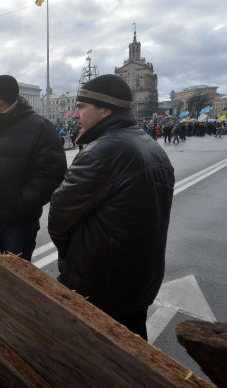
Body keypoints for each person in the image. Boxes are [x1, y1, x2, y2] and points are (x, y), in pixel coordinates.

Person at [48, 74, 175, 340]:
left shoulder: (101, 151)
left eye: (81, 108)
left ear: (104, 111)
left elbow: (59, 216)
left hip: (101, 284)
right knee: (133, 355)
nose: (74, 115)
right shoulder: (149, 145)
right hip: (139, 279)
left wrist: (69, 258)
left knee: (95, 358)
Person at [0, 75, 67, 303]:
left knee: (16, 283)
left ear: (1, 98)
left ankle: (11, 329)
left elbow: (52, 173)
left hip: (18, 222)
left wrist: (21, 201)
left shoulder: (39, 128)